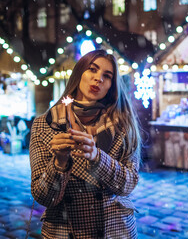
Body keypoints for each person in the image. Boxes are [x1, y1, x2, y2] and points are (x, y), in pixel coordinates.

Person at [29, 50, 141, 238]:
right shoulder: (45, 124)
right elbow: (44, 197)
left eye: (107, 76)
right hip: (66, 230)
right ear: (79, 73)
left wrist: (98, 158)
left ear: (111, 87)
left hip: (114, 231)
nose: (98, 79)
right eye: (92, 70)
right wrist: (60, 163)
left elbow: (128, 184)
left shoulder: (123, 123)